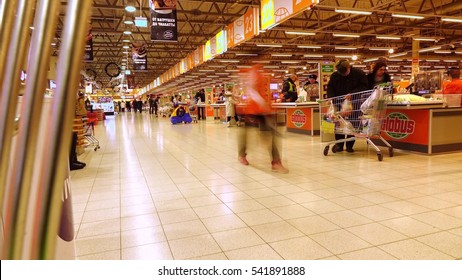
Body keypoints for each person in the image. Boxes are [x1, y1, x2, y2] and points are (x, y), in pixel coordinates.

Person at [238, 65, 288, 173]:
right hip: (252, 109)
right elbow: (252, 91)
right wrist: (264, 106)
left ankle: (276, 162)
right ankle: (242, 155)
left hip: (261, 110)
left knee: (270, 133)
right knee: (247, 133)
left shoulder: (261, 73)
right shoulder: (252, 71)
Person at [327, 59, 368, 153]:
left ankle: (350, 145)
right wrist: (331, 98)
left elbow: (364, 86)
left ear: (349, 67)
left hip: (354, 103)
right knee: (339, 125)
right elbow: (330, 87)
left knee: (352, 125)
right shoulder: (335, 75)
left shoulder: (359, 73)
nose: (343, 74)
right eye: (340, 73)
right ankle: (339, 145)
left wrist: (352, 93)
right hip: (338, 102)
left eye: (344, 72)